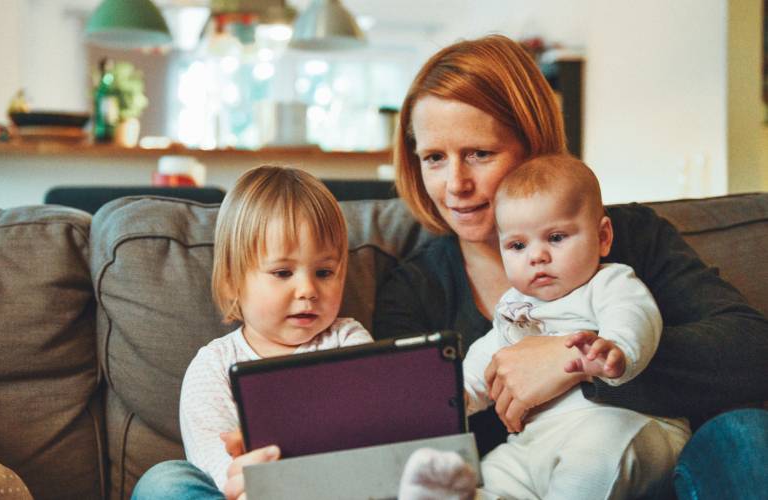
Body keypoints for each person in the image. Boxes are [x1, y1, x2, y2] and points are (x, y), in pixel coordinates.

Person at [371, 33, 768, 499]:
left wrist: (574, 359)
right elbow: (411, 430)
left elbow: (751, 350)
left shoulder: (629, 237)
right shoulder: (414, 289)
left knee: (745, 433)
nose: (456, 183)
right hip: (519, 479)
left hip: (662, 472)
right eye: (435, 158)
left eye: (480, 153)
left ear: (532, 146)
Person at [421, 153, 688, 498]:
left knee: (591, 459)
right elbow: (487, 358)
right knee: (490, 474)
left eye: (556, 238)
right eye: (518, 245)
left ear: (603, 237)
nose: (537, 256)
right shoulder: (513, 306)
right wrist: (455, 396)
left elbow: (634, 315)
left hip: (625, 426)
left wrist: (615, 348)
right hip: (536, 442)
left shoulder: (608, 283)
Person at [133, 165, 372, 498]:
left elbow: (371, 434)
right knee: (164, 482)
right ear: (232, 281)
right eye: (282, 272)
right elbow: (213, 467)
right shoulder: (213, 366)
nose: (307, 289)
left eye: (324, 271)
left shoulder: (348, 341)